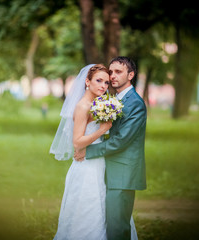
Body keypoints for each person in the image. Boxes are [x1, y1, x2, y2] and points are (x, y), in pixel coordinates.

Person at [50, 64, 137, 240]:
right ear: (87, 82)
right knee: (87, 208)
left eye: (106, 82)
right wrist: (102, 129)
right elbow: (77, 142)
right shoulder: (82, 106)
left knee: (104, 208)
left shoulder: (98, 104)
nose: (104, 86)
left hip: (100, 163)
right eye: (98, 81)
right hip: (86, 166)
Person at [74, 56, 147, 240]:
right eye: (111, 71)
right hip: (106, 169)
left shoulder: (135, 104)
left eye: (118, 72)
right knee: (105, 225)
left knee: (117, 228)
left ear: (131, 75)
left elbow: (121, 141)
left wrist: (88, 151)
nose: (112, 76)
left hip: (122, 174)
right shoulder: (111, 99)